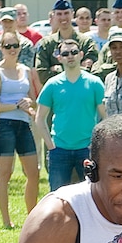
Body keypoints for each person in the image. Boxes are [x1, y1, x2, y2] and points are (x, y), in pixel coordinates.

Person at [0, 26, 43, 228]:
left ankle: (31, 217)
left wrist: (28, 104)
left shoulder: (26, 71)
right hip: (4, 125)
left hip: (24, 124)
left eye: (15, 46)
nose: (12, 49)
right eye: (8, 46)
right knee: (5, 174)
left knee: (33, 173)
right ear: (0, 48)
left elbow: (34, 100)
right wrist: (16, 105)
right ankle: (6, 221)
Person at [36, 34, 105, 192]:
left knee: (92, 195)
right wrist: (50, 146)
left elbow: (105, 117)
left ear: (81, 55)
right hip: (59, 149)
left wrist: (95, 145)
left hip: (87, 149)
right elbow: (39, 118)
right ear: (59, 58)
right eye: (65, 54)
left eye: (74, 52)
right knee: (58, 197)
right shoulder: (52, 84)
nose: (70, 56)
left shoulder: (94, 83)